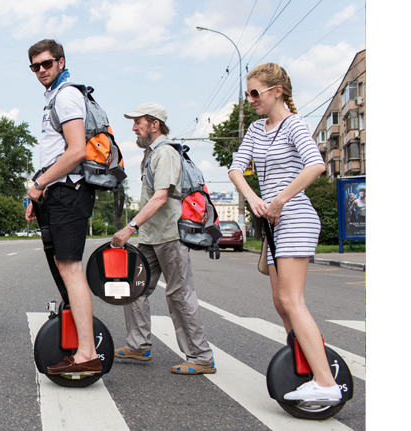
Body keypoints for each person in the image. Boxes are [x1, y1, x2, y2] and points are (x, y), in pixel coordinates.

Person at [228, 63, 340, 402]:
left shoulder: (294, 124)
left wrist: (279, 200)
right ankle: (303, 363)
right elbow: (236, 168)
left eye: (255, 93)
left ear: (277, 91)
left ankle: (326, 383)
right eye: (248, 94)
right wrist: (253, 198)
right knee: (280, 302)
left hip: (295, 217)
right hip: (273, 221)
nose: (250, 100)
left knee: (292, 300)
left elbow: (316, 165)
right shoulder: (257, 130)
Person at [111, 103, 216, 374]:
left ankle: (201, 357)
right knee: (132, 288)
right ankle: (138, 344)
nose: (134, 127)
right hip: (151, 237)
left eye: (138, 122)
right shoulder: (151, 154)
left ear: (154, 125)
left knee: (179, 294)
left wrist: (129, 228)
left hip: (170, 236)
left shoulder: (166, 153)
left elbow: (160, 197)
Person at [25, 39, 101, 375]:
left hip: (70, 192)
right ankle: (81, 344)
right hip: (56, 192)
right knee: (64, 267)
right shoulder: (52, 98)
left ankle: (87, 354)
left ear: (60, 62)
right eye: (35, 66)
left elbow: (76, 152)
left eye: (46, 64)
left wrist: (39, 185)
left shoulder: (67, 95)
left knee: (71, 269)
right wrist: (38, 192)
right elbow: (56, 155)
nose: (41, 70)